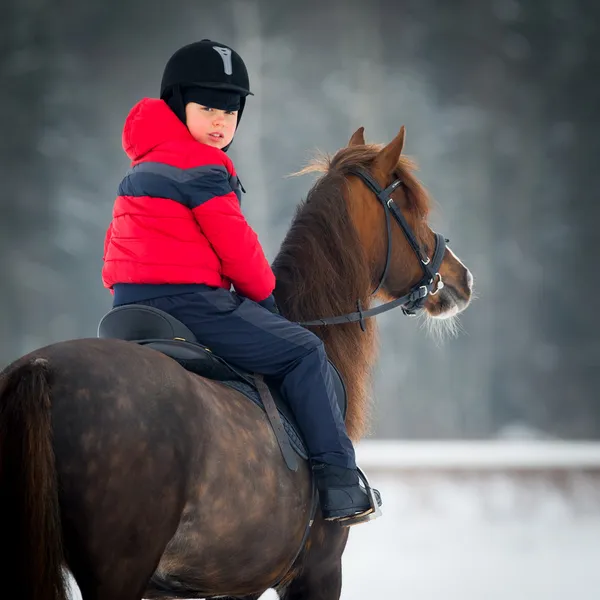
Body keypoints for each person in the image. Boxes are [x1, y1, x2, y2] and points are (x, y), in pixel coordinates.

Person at [102, 39, 381, 525]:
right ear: (176, 104)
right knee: (305, 352)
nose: (220, 122)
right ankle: (339, 483)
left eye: (230, 112)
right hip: (190, 305)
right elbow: (240, 252)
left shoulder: (143, 164)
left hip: (127, 306)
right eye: (208, 108)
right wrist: (267, 298)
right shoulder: (202, 168)